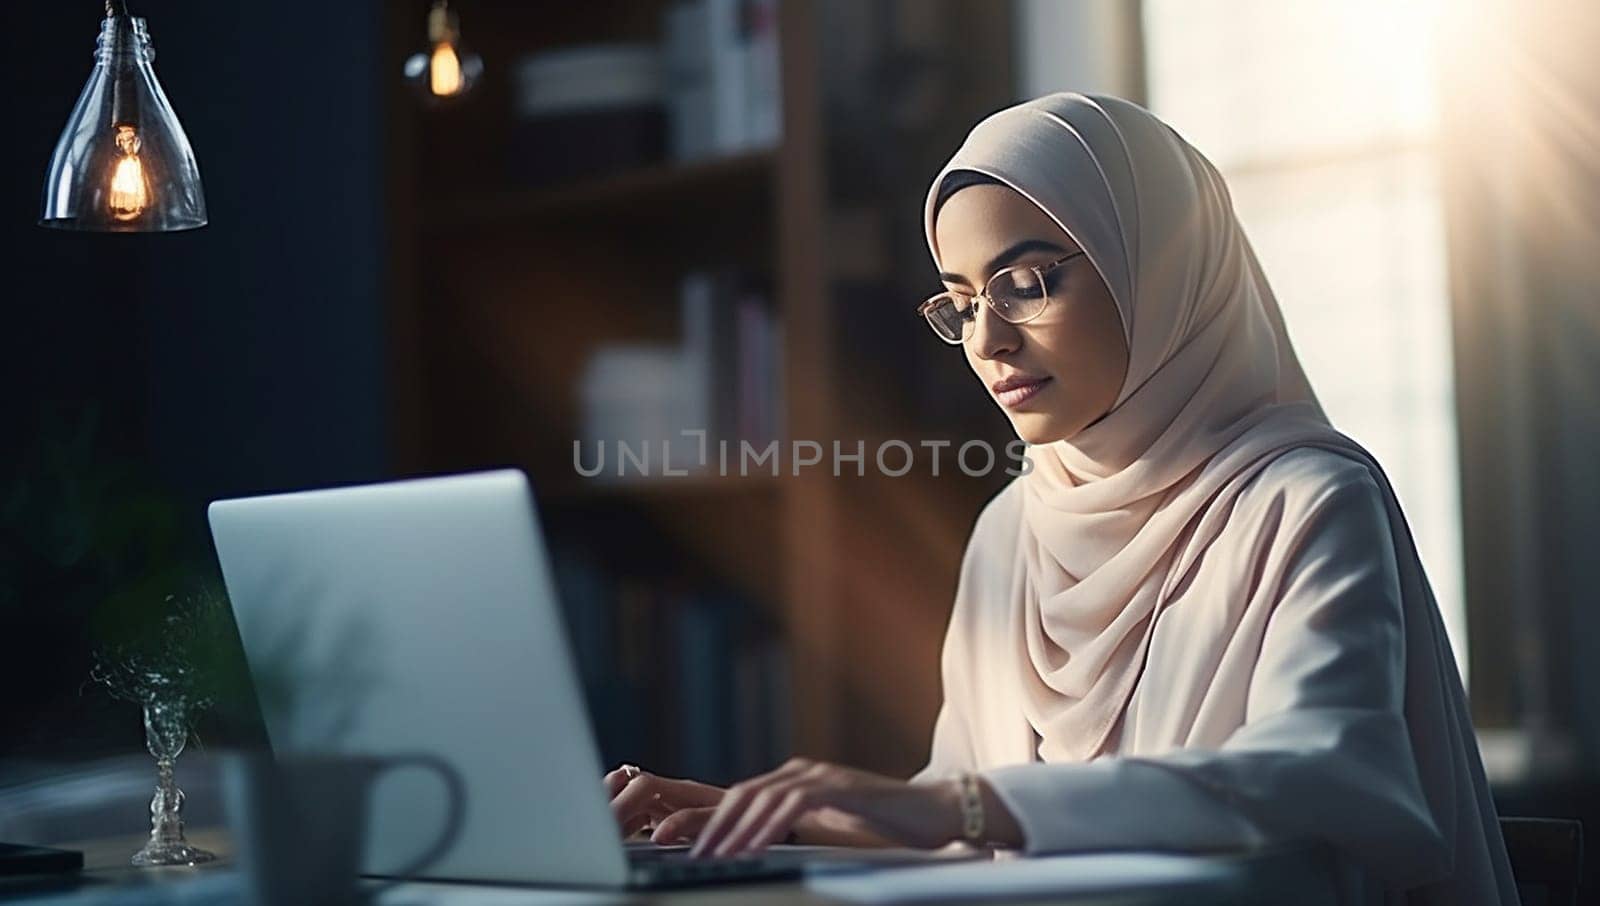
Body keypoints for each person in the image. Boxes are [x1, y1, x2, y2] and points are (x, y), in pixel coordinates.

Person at [605, 92, 1519, 904]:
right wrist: (763, 818)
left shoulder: (1306, 497)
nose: (987, 339)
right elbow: (965, 828)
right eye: (961, 300)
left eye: (1027, 281)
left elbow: (1328, 770)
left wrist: (957, 804)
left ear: (1157, 269)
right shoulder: (1013, 527)